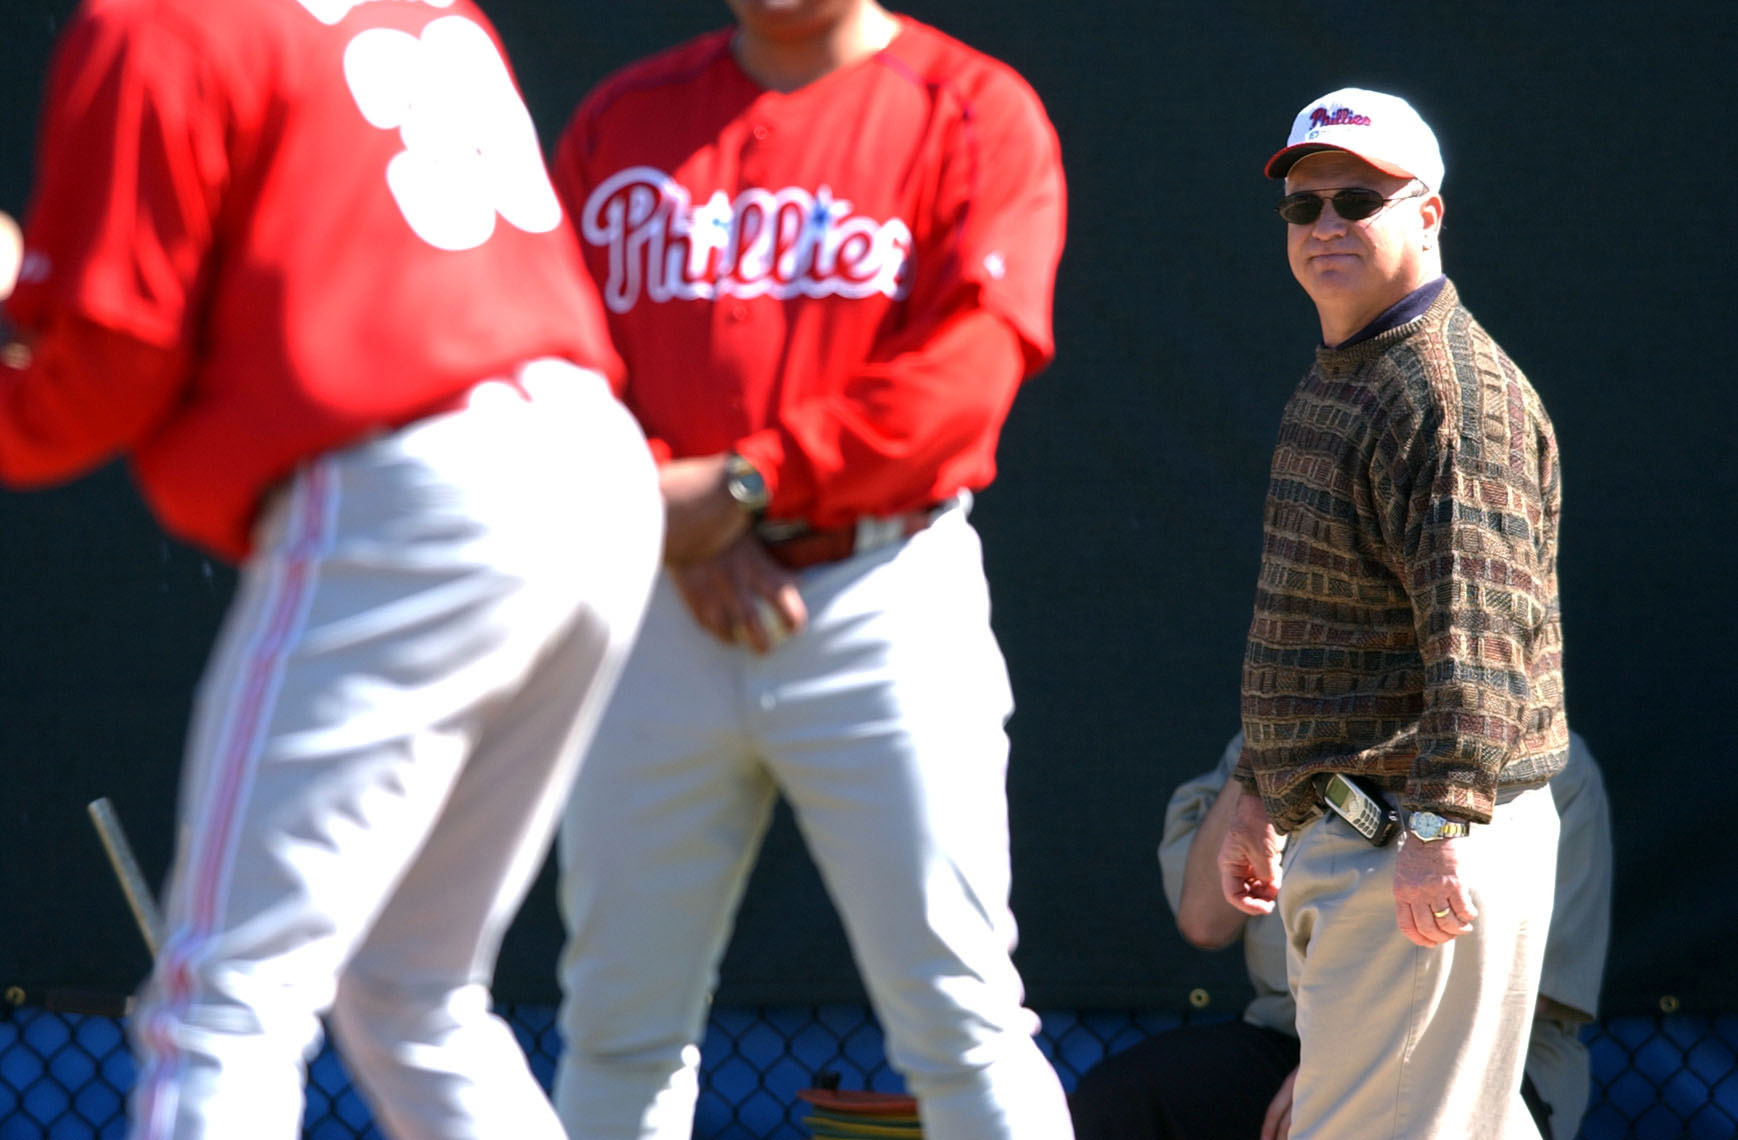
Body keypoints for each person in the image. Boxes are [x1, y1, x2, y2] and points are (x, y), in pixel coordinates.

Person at [0, 1, 661, 1137]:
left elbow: (111, 359)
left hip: (414, 488)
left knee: (226, 999)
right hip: (590, 467)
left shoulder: (155, 22)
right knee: (412, 997)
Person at [543, 2, 1070, 1138]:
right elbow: (542, 360)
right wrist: (684, 528)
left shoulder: (972, 108)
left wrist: (740, 486)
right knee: (618, 1027)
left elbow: (965, 377)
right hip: (653, 604)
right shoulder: (624, 120)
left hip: (879, 591)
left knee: (957, 1017)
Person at [1217, 87, 1568, 1140]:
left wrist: (1435, 830)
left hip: (1414, 844)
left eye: (1358, 199)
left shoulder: (1445, 396)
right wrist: (1253, 790)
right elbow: (1310, 620)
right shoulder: (1352, 370)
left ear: (1428, 213)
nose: (1325, 225)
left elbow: (1482, 638)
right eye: (1304, 205)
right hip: (1366, 832)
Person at [1071, 731, 1611, 1140]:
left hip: (1471, 1053)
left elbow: (1526, 994)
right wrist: (1270, 748)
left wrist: (1342, 1066)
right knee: (1124, 1101)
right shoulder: (1279, 731)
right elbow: (1204, 921)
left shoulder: (1542, 761)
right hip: (1293, 1039)